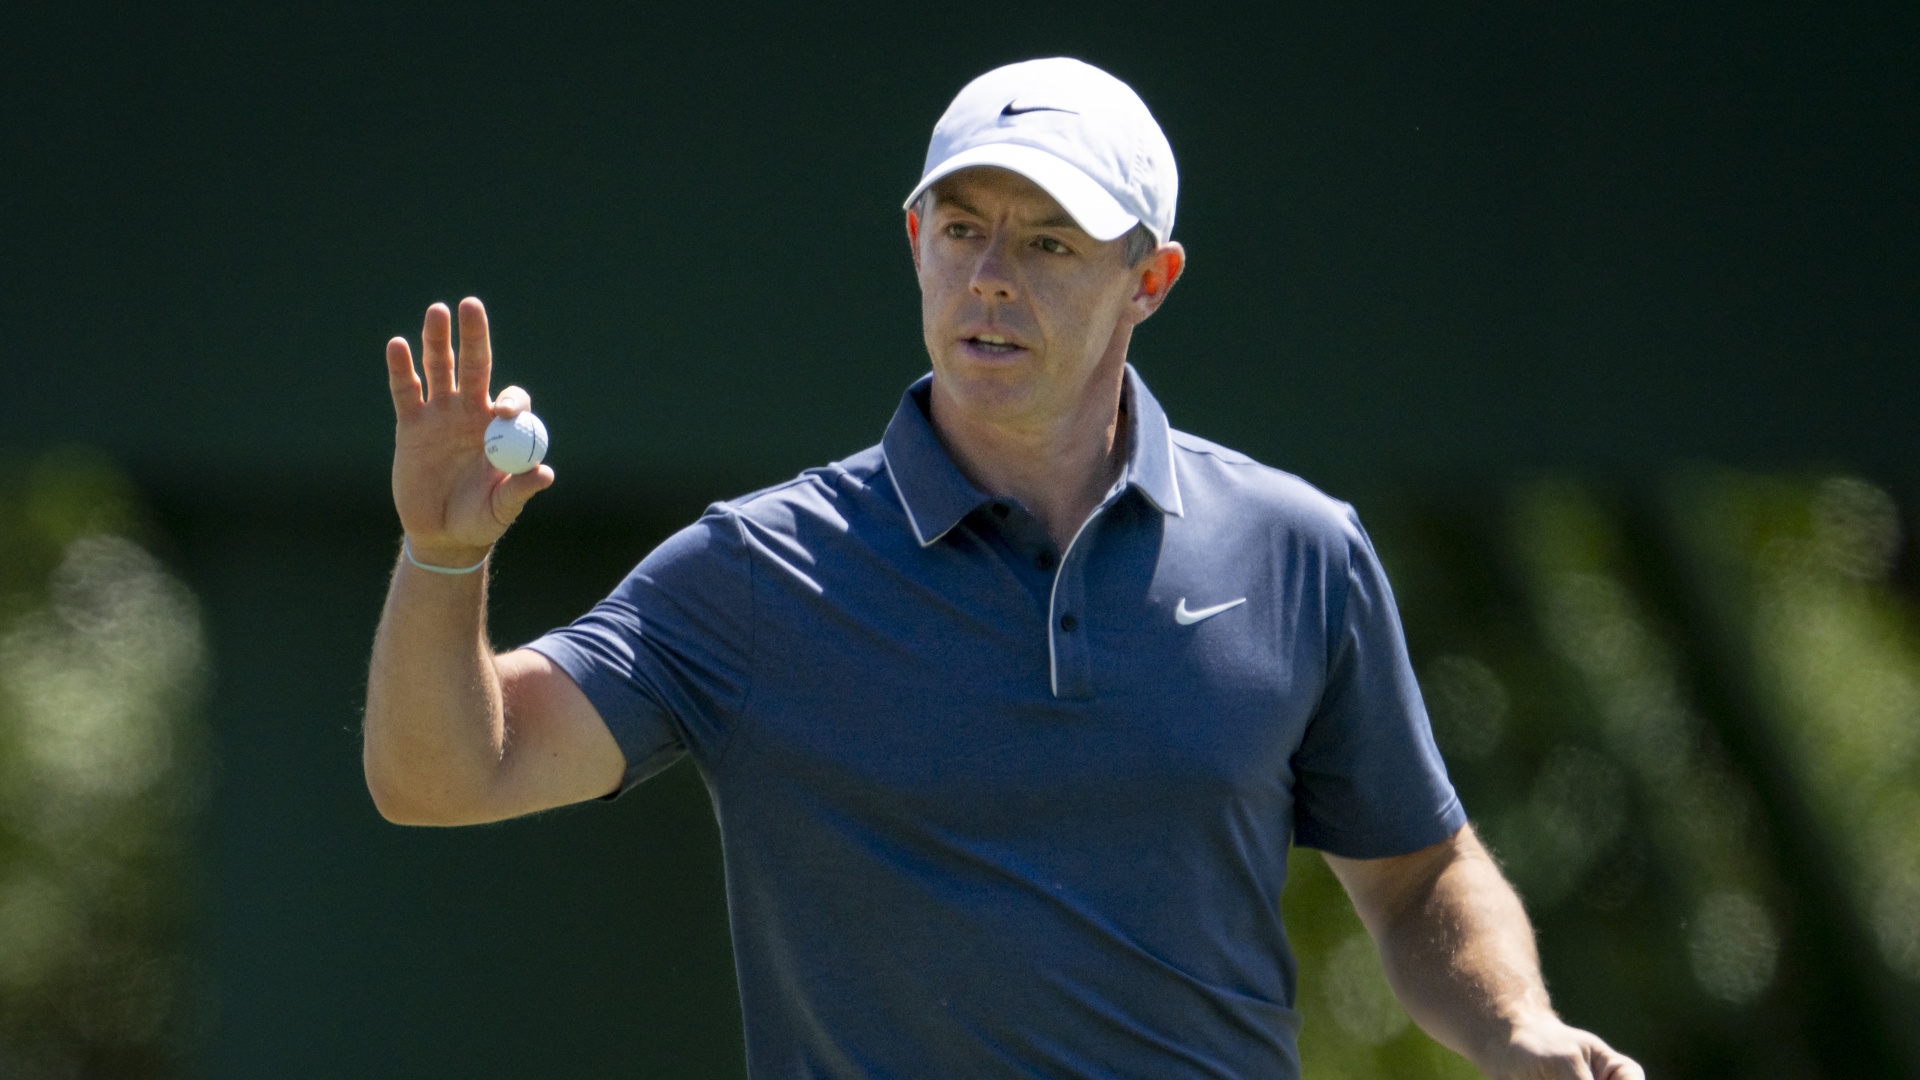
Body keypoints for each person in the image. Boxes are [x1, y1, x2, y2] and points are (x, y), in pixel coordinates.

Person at [364, 57, 1643, 1080]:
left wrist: (1511, 1025)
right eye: (964, 228)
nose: (989, 279)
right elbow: (446, 776)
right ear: (914, 235)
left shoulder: (1299, 550)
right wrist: (439, 558)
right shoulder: (753, 572)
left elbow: (1417, 875)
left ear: (1150, 279)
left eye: (1048, 245)